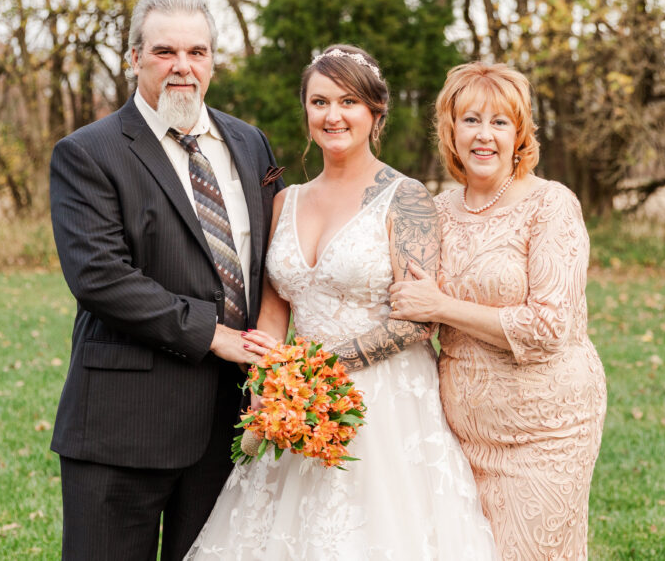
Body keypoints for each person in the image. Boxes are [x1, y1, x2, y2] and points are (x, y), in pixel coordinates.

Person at [184, 45, 496, 559]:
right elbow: (274, 308)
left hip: (383, 404)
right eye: (320, 102)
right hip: (296, 401)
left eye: (349, 102)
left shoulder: (408, 198)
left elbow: (417, 321)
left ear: (376, 113)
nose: (333, 116)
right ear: (306, 110)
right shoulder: (286, 200)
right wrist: (270, 382)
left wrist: (319, 369)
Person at [48, 0, 284, 560]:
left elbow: (272, 259)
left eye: (197, 52)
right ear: (134, 59)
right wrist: (213, 334)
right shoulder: (89, 153)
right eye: (164, 52)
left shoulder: (249, 144)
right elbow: (100, 276)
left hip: (227, 423)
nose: (183, 66)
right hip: (123, 423)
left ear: (212, 62)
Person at [388, 62, 607, 560]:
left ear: (520, 134)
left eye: (499, 122)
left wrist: (444, 305)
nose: (484, 136)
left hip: (548, 430)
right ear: (451, 130)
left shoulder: (551, 205)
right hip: (459, 433)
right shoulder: (436, 212)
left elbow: (549, 326)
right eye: (471, 120)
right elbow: (409, 309)